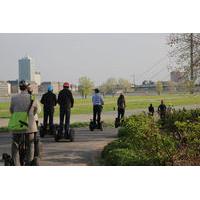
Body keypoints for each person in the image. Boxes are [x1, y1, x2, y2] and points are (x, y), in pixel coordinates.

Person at [9, 80, 37, 165]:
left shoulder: (14, 98)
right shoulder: (32, 98)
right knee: (31, 144)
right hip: (29, 125)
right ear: (27, 87)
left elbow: (11, 110)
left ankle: (17, 163)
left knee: (15, 144)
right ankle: (29, 163)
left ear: (20, 88)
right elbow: (36, 110)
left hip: (17, 125)